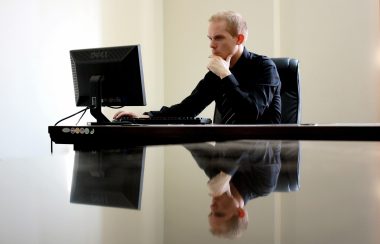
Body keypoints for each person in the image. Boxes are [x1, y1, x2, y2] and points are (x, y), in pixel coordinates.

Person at [114, 10, 281, 124]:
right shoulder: (217, 73)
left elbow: (251, 113)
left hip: (261, 159)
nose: (212, 45)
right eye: (210, 38)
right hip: (225, 156)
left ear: (239, 39)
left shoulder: (265, 67)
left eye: (219, 38)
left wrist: (225, 74)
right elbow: (188, 109)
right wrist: (145, 117)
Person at [184, 140, 282, 238]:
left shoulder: (216, 176)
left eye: (211, 213)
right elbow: (252, 139)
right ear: (240, 212)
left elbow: (194, 144)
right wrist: (225, 175)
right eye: (219, 214)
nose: (212, 207)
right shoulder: (263, 185)